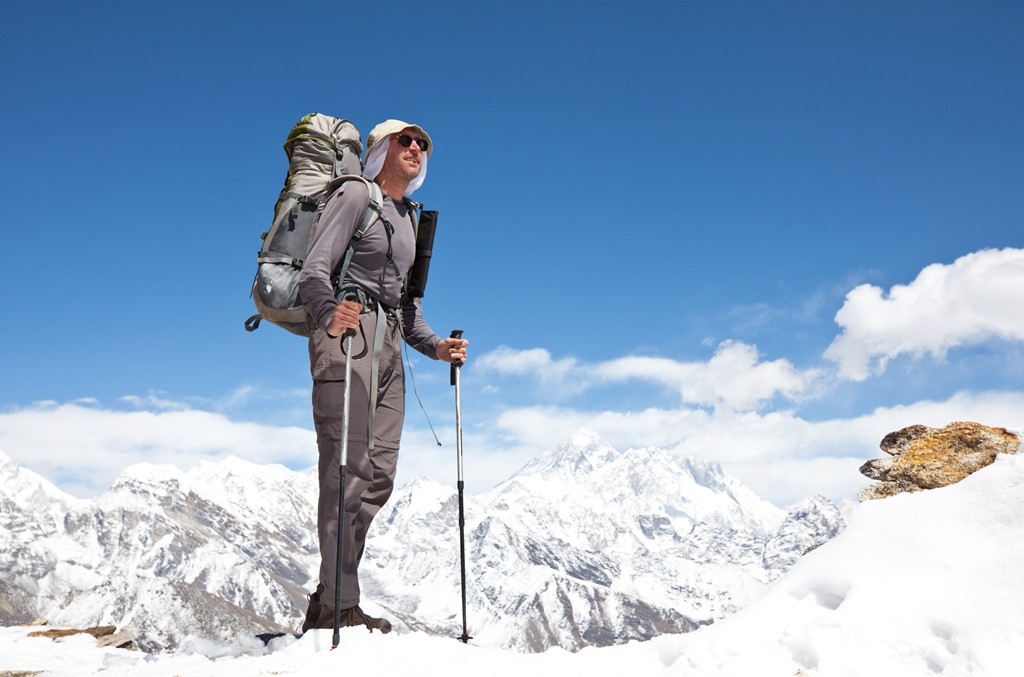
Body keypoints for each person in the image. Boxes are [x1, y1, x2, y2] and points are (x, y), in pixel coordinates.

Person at [297, 119, 468, 633]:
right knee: (345, 472)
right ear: (380, 150)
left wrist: (436, 346)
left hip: (391, 343)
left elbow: (408, 305)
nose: (416, 148)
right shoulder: (355, 195)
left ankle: (330, 596)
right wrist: (330, 313)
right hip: (349, 334)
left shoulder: (412, 218)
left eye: (423, 144)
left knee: (377, 478)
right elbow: (313, 270)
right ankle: (339, 608)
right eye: (406, 140)